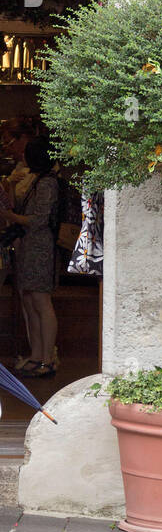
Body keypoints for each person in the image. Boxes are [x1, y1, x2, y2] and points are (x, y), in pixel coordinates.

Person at [0, 138, 59, 377]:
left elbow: (38, 219)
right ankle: (37, 356)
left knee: (41, 302)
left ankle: (46, 359)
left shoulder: (47, 183)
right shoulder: (37, 180)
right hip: (29, 247)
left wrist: (8, 216)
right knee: (31, 301)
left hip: (40, 247)